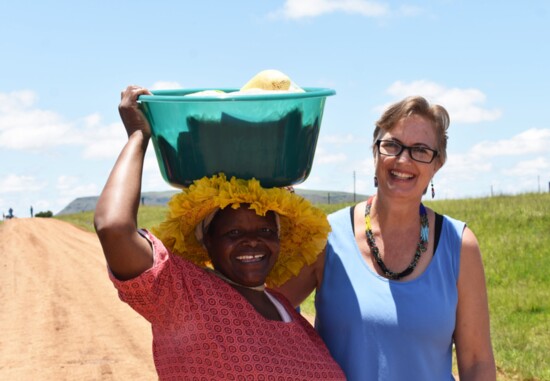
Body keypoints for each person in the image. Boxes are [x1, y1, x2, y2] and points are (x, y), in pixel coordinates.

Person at [93, 85, 346, 380]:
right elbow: (114, 228)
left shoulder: (285, 308)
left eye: (265, 229)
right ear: (206, 240)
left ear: (279, 237)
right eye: (233, 232)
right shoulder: (185, 296)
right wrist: (138, 135)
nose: (252, 240)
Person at [278, 96, 496, 380]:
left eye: (420, 150)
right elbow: (266, 312)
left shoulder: (459, 244)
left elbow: (477, 361)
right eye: (392, 145)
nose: (403, 160)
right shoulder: (327, 237)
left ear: (437, 164)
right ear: (375, 152)